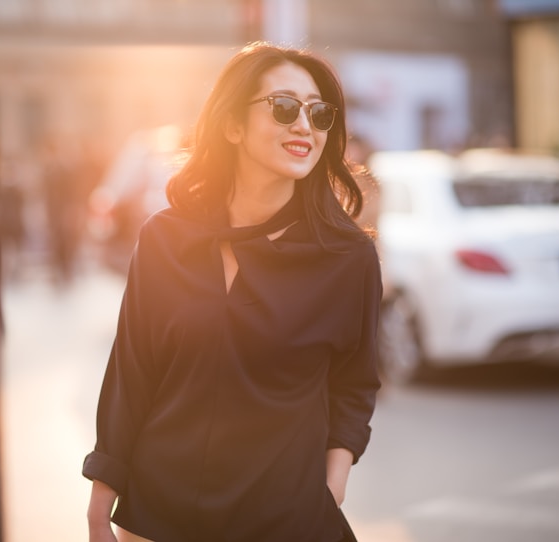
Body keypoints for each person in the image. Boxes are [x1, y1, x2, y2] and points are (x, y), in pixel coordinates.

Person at [82, 42, 382, 542]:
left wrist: (331, 486)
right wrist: (100, 504)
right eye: (285, 107)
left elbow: (355, 384)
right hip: (158, 517)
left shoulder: (346, 258)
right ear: (232, 125)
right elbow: (131, 374)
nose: (304, 126)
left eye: (319, 113)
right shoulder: (164, 239)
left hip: (287, 519)